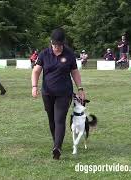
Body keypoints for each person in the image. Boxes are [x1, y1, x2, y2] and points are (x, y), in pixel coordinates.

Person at [31, 28, 85, 160]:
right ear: (51, 42)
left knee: (59, 119)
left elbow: (75, 72)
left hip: (64, 93)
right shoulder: (44, 54)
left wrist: (80, 88)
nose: (57, 48)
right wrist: (34, 86)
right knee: (51, 119)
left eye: (59, 45)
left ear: (63, 43)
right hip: (47, 93)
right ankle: (56, 141)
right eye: (55, 45)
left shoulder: (69, 54)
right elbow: (36, 71)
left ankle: (57, 148)